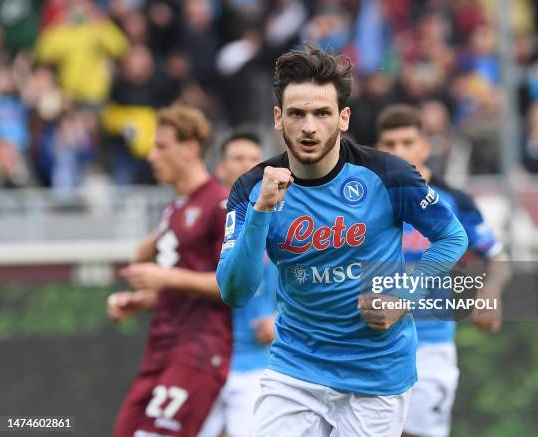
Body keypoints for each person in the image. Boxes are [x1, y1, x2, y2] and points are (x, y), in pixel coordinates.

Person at [216, 43, 468, 436]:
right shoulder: (252, 188)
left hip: (377, 374)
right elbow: (235, 291)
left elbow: (451, 237)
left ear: (344, 117)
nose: (309, 127)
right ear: (279, 118)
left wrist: (404, 297)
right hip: (295, 370)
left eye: (322, 113)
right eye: (297, 114)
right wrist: (261, 213)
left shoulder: (389, 175)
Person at [374, 104, 510, 437]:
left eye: (407, 143)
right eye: (390, 145)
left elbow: (499, 257)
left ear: (425, 146)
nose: (399, 152)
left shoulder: (453, 200)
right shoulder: (361, 201)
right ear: (377, 149)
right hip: (374, 342)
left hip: (430, 345)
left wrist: (490, 292)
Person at [107, 104, 232, 437]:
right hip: (160, 349)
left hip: (198, 351)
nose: (151, 156)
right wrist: (144, 299)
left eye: (161, 146)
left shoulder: (220, 204)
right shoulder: (175, 208)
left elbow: (230, 287)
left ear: (190, 148)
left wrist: (164, 278)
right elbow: (158, 267)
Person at [199, 132, 277, 437]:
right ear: (220, 168)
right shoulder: (207, 222)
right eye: (238, 158)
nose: (247, 166)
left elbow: (305, 282)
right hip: (206, 361)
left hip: (255, 363)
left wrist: (280, 320)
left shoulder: (277, 220)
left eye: (253, 159)